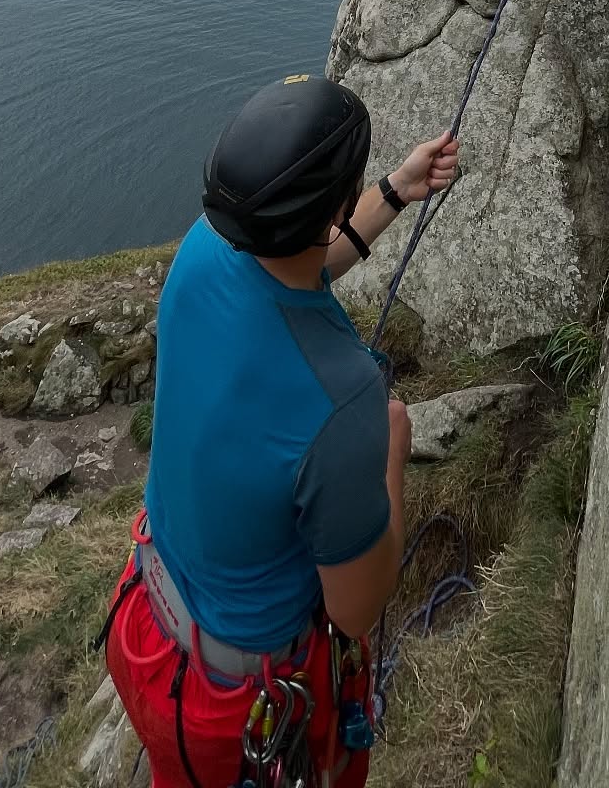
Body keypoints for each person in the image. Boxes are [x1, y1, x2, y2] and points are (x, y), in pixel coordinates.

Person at [102, 74, 458, 788]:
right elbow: (355, 610)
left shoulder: (203, 250)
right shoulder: (343, 398)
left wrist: (393, 191)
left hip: (142, 621)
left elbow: (295, 264)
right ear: (330, 206)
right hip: (238, 710)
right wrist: (391, 452)